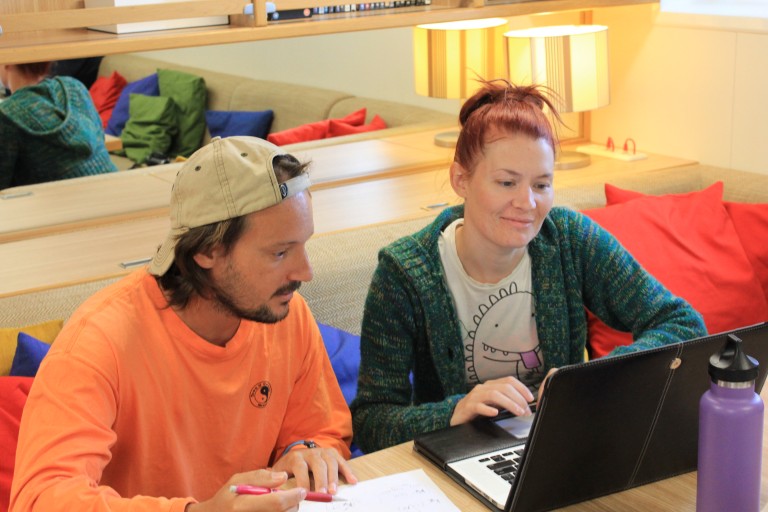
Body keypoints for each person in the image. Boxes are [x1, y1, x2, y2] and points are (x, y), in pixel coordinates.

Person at [350, 79, 707, 454]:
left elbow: (682, 324)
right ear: (461, 180)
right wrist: (455, 410)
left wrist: (593, 376)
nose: (527, 202)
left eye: (542, 184)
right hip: (460, 460)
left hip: (561, 448)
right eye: (506, 182)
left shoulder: (570, 239)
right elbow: (372, 422)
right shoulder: (404, 273)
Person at [11, 136, 357, 512]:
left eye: (303, 245)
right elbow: (40, 499)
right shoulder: (98, 342)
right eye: (279, 252)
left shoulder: (288, 314)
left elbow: (322, 432)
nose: (304, 271)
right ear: (206, 250)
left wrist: (304, 453)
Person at [0, 61, 117, 190]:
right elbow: (100, 137)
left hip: (65, 204)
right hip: (115, 189)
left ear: (7, 62)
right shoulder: (74, 86)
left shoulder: (7, 114)